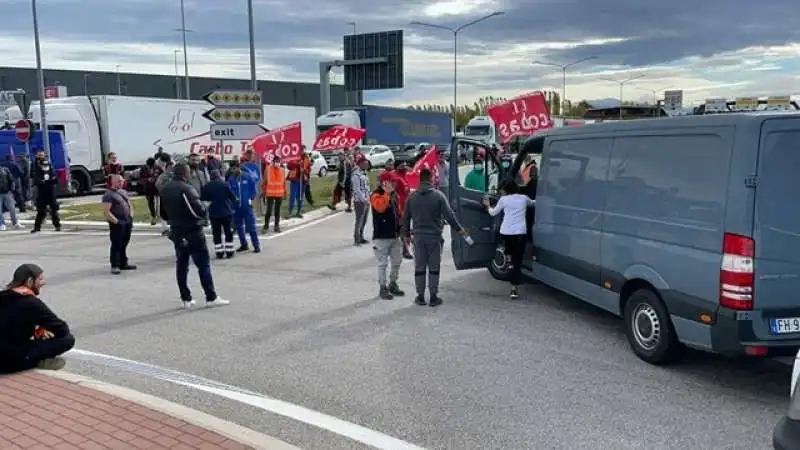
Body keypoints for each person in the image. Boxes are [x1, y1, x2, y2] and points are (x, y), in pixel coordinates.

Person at [159, 163, 229, 308]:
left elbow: (162, 213)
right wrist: (205, 208)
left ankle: (186, 298)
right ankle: (211, 297)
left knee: (182, 264)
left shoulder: (164, 189)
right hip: (192, 230)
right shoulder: (187, 189)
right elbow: (198, 210)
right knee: (203, 264)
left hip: (177, 230)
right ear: (185, 174)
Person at [403, 168, 470, 307]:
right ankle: (433, 297)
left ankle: (420, 296)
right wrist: (459, 230)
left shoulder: (412, 197)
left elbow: (405, 218)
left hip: (419, 238)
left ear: (420, 179)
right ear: (431, 179)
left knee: (420, 267)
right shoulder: (439, 196)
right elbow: (449, 215)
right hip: (434, 237)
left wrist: (406, 235)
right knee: (434, 267)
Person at [0, 264, 75, 373]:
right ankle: (37, 361)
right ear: (30, 281)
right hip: (9, 361)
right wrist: (43, 330)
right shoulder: (30, 302)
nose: (43, 283)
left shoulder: (3, 295)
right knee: (67, 339)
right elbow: (62, 329)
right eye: (40, 279)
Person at [484, 181, 535, 299]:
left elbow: (492, 213)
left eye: (501, 189)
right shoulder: (523, 198)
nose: (500, 192)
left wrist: (487, 205)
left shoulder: (503, 200)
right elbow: (533, 203)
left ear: (506, 189)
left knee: (510, 257)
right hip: (520, 233)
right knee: (517, 260)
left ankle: (509, 264)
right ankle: (514, 288)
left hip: (506, 233)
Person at [370, 171, 406, 299]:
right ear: (384, 183)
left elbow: (398, 213)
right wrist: (386, 194)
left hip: (395, 236)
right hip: (381, 237)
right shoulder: (376, 195)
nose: (395, 184)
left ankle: (393, 283)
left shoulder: (394, 195)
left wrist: (404, 229)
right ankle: (383, 287)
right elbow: (380, 208)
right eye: (392, 181)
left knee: (397, 261)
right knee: (383, 264)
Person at [102, 174, 137, 274]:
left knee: (125, 243)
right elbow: (106, 212)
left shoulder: (123, 192)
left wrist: (131, 217)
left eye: (122, 181)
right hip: (117, 223)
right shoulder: (108, 195)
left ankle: (123, 262)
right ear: (113, 182)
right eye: (119, 181)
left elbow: (129, 205)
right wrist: (117, 222)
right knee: (117, 244)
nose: (121, 183)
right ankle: (115, 265)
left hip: (127, 221)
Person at [201, 170, 236, 259]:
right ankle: (229, 251)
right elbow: (232, 197)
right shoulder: (224, 184)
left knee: (216, 233)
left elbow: (203, 199)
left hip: (214, 213)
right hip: (226, 212)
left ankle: (219, 252)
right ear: (219, 176)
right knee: (228, 232)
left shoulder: (207, 186)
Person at [227, 160, 261, 253]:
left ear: (238, 167)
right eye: (232, 169)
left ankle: (256, 245)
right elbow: (230, 191)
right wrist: (233, 201)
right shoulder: (231, 179)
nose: (233, 170)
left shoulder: (247, 176)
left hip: (247, 206)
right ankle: (244, 244)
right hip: (236, 207)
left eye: (235, 168)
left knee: (251, 226)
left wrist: (251, 198)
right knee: (239, 226)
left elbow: (253, 189)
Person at [30, 152, 61, 233]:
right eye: (39, 156)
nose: (45, 166)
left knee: (53, 209)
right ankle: (37, 227)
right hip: (41, 191)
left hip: (50, 190)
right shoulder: (35, 166)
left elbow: (55, 179)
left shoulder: (49, 167)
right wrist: (40, 181)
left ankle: (57, 225)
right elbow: (35, 178)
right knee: (41, 211)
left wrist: (49, 180)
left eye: (42, 156)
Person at [392, 162, 413, 259]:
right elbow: (392, 192)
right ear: (397, 167)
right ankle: (405, 250)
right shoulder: (396, 178)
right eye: (402, 165)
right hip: (399, 209)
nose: (404, 167)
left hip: (406, 207)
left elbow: (407, 190)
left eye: (405, 165)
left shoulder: (404, 175)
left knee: (400, 230)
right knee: (403, 230)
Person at [261, 154, 287, 233]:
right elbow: (264, 182)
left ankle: (276, 226)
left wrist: (285, 192)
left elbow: (284, 183)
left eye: (279, 162)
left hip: (279, 193)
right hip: (270, 193)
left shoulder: (283, 170)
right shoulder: (268, 169)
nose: (278, 163)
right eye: (276, 161)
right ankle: (266, 226)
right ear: (273, 161)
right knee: (269, 210)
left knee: (277, 211)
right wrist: (264, 191)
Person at [351, 155, 371, 245]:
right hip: (359, 201)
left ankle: (361, 236)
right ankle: (357, 238)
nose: (367, 165)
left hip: (367, 200)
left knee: (364, 220)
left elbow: (367, 186)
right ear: (360, 164)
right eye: (365, 164)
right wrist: (364, 199)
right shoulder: (356, 175)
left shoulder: (364, 173)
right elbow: (357, 189)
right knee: (359, 220)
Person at [155, 156, 174, 236]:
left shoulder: (175, 176)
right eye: (170, 167)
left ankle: (173, 228)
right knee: (163, 213)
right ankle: (164, 229)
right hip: (164, 197)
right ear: (166, 168)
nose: (171, 169)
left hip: (173, 197)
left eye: (172, 167)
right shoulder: (163, 176)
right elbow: (157, 184)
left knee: (173, 212)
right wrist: (164, 190)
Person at [0, 162, 20, 230]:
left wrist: (12, 189)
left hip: (7, 192)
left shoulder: (5, 169)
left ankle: (15, 223)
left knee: (12, 208)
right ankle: (2, 224)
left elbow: (11, 179)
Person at [139, 157, 159, 225]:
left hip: (157, 188)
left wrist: (155, 178)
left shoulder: (157, 167)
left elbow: (162, 175)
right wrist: (147, 179)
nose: (149, 167)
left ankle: (158, 216)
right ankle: (153, 217)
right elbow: (140, 179)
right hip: (147, 189)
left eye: (151, 166)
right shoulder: (143, 168)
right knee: (150, 203)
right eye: (148, 166)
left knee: (158, 203)